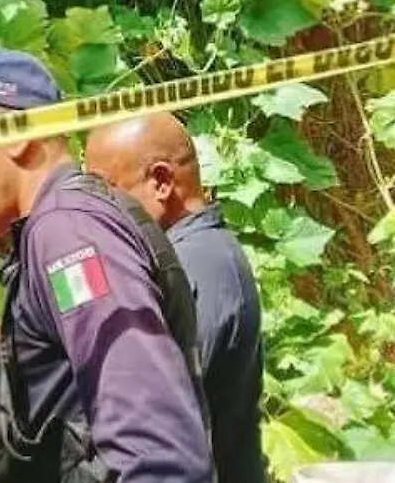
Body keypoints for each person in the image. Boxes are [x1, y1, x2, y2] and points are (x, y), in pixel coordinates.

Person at [0, 50, 213, 483]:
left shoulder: (68, 233)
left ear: (15, 135)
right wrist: (3, 352)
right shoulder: (62, 226)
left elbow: (155, 446)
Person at [84, 114, 265, 483]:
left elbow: (154, 414)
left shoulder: (196, 268)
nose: (97, 214)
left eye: (106, 193)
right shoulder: (194, 256)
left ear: (161, 182)